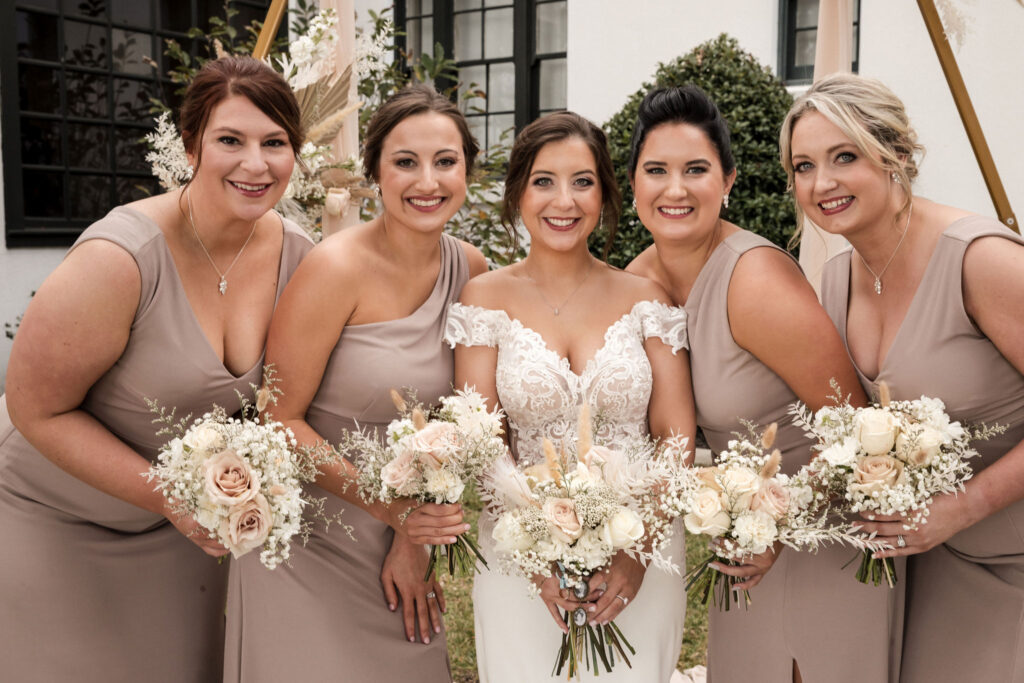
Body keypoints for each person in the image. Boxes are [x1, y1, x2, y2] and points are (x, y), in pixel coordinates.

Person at [0, 56, 312, 682]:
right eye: (231, 140)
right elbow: (34, 406)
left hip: (187, 542)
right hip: (58, 520)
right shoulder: (120, 259)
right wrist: (171, 497)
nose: (256, 164)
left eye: (274, 143)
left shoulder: (300, 258)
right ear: (192, 144)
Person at [626, 85, 901, 683]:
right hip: (741, 545)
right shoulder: (637, 282)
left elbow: (856, 430)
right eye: (656, 171)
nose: (675, 189)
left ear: (727, 181)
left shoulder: (754, 280)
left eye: (696, 170)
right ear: (633, 186)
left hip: (821, 535)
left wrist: (779, 527)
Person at [223, 83, 488, 682]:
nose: (428, 181)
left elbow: (466, 422)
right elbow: (278, 418)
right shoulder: (333, 269)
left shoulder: (472, 270)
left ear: (467, 169)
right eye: (405, 162)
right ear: (374, 173)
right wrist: (394, 513)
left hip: (403, 536)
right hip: (309, 540)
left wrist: (413, 536)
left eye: (445, 162)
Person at [782, 72, 1024, 683]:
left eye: (845, 156)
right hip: (915, 571)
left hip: (1012, 559)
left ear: (895, 155)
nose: (823, 183)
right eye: (803, 167)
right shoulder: (834, 283)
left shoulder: (982, 259)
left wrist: (963, 507)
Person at [445, 110, 695, 682]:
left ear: (605, 194)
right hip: (518, 554)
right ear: (517, 194)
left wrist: (636, 552)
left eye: (583, 181)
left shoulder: (647, 297)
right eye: (544, 181)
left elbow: (676, 433)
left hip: (642, 548)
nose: (565, 200)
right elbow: (484, 442)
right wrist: (537, 555)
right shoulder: (483, 298)